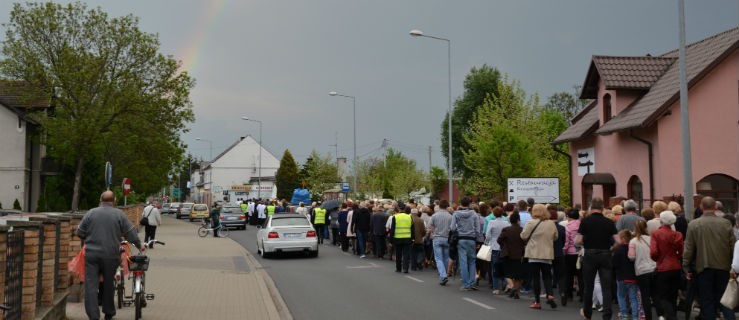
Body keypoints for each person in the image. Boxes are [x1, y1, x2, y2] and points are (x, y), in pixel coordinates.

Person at [77, 191, 143, 320]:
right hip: (111, 255)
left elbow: (80, 232)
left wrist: (89, 237)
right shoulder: (119, 214)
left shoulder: (90, 213)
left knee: (91, 285)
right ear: (115, 200)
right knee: (108, 283)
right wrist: (139, 244)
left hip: (91, 255)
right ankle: (109, 313)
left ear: (100, 199)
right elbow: (131, 233)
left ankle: (93, 316)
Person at [683, 196, 736, 320]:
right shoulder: (726, 223)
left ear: (701, 207)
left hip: (703, 267)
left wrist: (686, 266)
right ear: (715, 207)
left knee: (707, 301)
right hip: (724, 266)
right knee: (725, 300)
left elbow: (689, 248)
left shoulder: (693, 224)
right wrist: (733, 267)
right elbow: (733, 246)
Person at [576, 197, 617, 320]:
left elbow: (578, 240)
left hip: (590, 254)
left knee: (588, 286)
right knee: (606, 287)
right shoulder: (609, 222)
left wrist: (583, 243)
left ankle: (588, 314)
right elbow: (619, 240)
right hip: (605, 254)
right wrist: (612, 249)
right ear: (602, 207)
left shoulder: (585, 221)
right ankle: (607, 315)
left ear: (591, 207)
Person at [521, 203, 558, 309]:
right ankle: (550, 294)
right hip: (547, 253)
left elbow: (523, 236)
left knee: (536, 277)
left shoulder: (530, 222)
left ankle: (537, 301)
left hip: (533, 253)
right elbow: (555, 237)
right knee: (547, 276)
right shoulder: (551, 223)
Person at [649, 210, 683, 320]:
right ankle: (672, 316)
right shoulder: (678, 234)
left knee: (662, 296)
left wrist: (657, 259)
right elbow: (681, 252)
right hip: (676, 267)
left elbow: (653, 252)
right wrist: (676, 259)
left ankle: (671, 317)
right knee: (673, 295)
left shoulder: (656, 233)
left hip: (663, 267)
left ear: (662, 221)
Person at [629, 220, 658, 320]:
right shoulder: (652, 239)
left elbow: (631, 257)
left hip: (641, 271)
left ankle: (648, 317)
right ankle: (661, 315)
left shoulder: (633, 242)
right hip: (654, 269)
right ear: (646, 228)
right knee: (655, 294)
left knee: (645, 296)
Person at [451, 197, 482, 291]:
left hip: (461, 239)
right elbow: (478, 229)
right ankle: (472, 282)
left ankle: (466, 284)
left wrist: (459, 229)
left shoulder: (456, 214)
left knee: (463, 262)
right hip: (472, 239)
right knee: (472, 261)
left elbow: (452, 228)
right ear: (469, 204)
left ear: (461, 204)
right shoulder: (474, 214)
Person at [498, 212, 526, 299]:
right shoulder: (522, 230)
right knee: (518, 275)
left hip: (508, 254)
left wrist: (504, 246)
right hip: (519, 255)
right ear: (518, 220)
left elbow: (499, 240)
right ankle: (516, 291)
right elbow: (525, 241)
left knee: (509, 273)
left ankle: (513, 288)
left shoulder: (506, 230)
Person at [613, 229, 639, 320]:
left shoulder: (618, 250)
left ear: (623, 239)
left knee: (621, 296)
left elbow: (615, 264)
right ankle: (636, 316)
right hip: (632, 276)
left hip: (621, 277)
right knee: (633, 297)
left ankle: (624, 314)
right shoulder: (633, 248)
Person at [485, 206, 510, 293]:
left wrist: (489, 241)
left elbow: (487, 235)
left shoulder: (491, 222)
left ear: (494, 214)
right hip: (504, 247)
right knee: (505, 267)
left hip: (494, 246)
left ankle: (496, 288)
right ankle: (507, 284)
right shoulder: (506, 223)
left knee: (495, 267)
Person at [429, 199, 453, 285]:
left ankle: (443, 276)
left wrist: (434, 231)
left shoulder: (434, 216)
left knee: (438, 258)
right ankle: (445, 274)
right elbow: (453, 228)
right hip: (447, 239)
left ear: (439, 206)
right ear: (447, 206)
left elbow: (430, 226)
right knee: (446, 258)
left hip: (437, 238)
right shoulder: (450, 216)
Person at [563, 209, 582, 304]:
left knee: (569, 275)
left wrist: (564, 252)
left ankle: (569, 294)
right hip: (580, 253)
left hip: (570, 253)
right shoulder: (582, 224)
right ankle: (582, 294)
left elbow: (566, 242)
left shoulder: (568, 226)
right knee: (581, 275)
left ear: (569, 217)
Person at [389, 206, 414, 273]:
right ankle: (405, 268)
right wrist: (412, 238)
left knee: (398, 254)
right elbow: (412, 229)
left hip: (398, 238)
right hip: (407, 238)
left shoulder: (395, 217)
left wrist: (391, 240)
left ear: (399, 210)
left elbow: (392, 229)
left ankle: (398, 268)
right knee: (406, 254)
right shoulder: (409, 217)